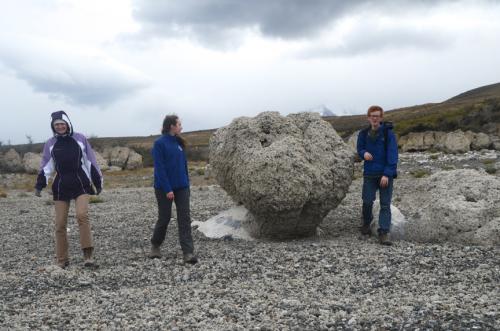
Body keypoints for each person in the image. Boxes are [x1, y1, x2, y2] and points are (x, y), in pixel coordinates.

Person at [35, 111, 103, 268]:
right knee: (59, 224)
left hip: (81, 183)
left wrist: (98, 182)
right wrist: (39, 185)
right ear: (53, 126)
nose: (59, 126)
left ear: (68, 124)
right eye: (56, 124)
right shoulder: (50, 143)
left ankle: (88, 256)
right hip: (61, 186)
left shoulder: (80, 139)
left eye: (62, 123)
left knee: (81, 215)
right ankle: (62, 260)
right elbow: (46, 166)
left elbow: (90, 161)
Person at [148, 114, 197, 264]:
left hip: (182, 187)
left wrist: (187, 184)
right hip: (164, 187)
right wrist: (168, 189)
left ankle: (188, 252)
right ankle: (155, 245)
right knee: (165, 217)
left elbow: (183, 165)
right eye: (179, 124)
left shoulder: (179, 143)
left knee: (184, 217)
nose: (181, 127)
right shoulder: (159, 144)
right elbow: (160, 169)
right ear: (172, 126)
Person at [356, 105, 398, 245]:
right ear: (368, 117)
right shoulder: (363, 134)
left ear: (381, 118)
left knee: (385, 204)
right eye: (372, 116)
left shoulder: (388, 134)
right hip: (369, 174)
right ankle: (366, 224)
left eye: (377, 116)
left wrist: (387, 174)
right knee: (367, 201)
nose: (375, 118)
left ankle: (384, 233)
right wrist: (363, 154)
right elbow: (360, 148)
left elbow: (393, 155)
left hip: (385, 175)